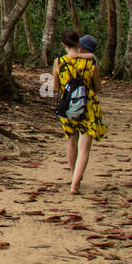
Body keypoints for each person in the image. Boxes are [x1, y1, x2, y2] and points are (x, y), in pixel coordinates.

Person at [53, 31, 107, 194]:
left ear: (64, 44)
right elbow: (98, 87)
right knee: (84, 148)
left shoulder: (59, 62)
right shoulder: (91, 64)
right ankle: (75, 184)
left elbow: (56, 87)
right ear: (78, 44)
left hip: (67, 105)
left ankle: (73, 174)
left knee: (71, 141)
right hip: (88, 106)